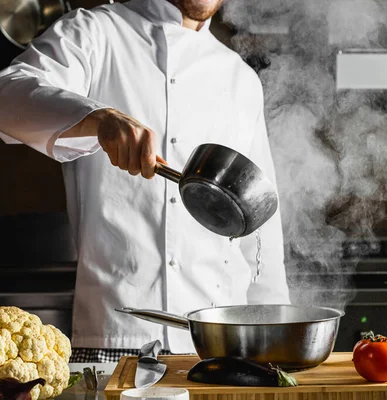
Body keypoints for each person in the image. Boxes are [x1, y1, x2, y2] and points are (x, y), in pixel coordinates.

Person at [0, 0, 290, 362]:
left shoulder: (240, 78)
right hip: (112, 338)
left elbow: (260, 225)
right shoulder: (95, 32)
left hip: (219, 347)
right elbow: (8, 93)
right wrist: (97, 118)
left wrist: (280, 344)